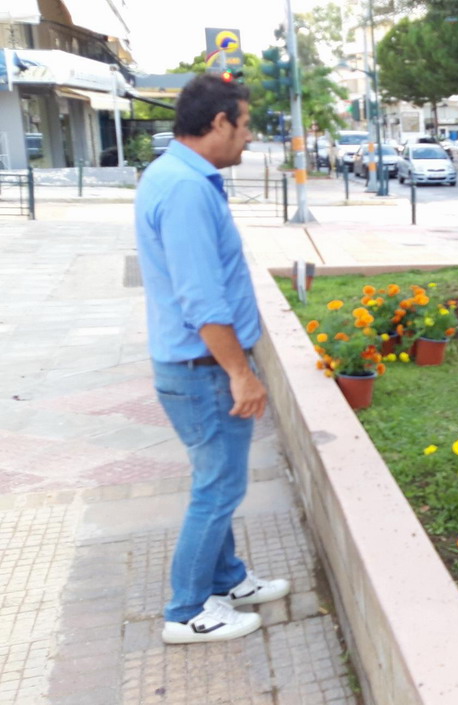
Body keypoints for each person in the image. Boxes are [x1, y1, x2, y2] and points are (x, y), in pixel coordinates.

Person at [135, 73, 289, 645]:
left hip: (195, 367)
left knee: (217, 481)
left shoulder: (178, 175)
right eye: (245, 125)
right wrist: (241, 373)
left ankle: (226, 578)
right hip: (202, 371)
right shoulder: (185, 189)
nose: (248, 138)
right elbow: (202, 300)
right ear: (219, 122)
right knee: (218, 489)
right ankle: (186, 610)